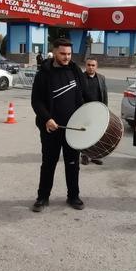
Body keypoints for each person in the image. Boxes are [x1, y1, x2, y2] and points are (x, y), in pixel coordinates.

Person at [31, 38, 93, 212]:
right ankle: (42, 197)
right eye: (63, 54)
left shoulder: (75, 71)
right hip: (51, 128)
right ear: (54, 52)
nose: (66, 57)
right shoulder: (44, 72)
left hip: (73, 129)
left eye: (69, 54)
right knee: (48, 164)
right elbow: (36, 101)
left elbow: (86, 95)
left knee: (73, 164)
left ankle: (73, 196)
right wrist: (46, 119)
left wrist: (96, 113)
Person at [81, 58, 108, 165]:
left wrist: (105, 110)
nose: (91, 67)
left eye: (93, 65)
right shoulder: (80, 78)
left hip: (98, 111)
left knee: (96, 134)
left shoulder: (101, 78)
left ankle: (94, 155)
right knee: (85, 134)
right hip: (84, 111)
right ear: (85, 65)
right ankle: (84, 155)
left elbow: (105, 94)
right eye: (89, 65)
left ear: (96, 66)